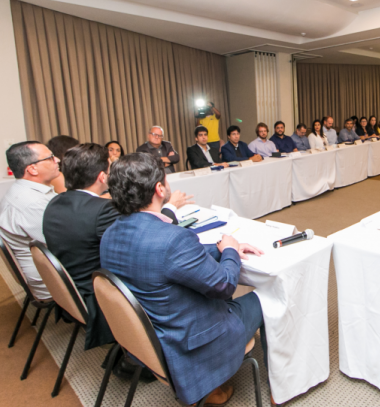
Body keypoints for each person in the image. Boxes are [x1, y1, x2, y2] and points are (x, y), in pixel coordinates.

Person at [99, 153, 266, 406]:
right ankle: (278, 382)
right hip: (191, 341)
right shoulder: (172, 238)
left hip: (150, 337)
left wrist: (220, 248)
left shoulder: (110, 234)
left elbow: (166, 262)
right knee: (266, 297)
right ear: (159, 188)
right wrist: (231, 249)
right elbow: (224, 285)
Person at [43, 144, 190, 350]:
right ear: (103, 177)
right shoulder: (102, 211)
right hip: (100, 297)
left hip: (71, 290)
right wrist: (170, 207)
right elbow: (149, 238)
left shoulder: (55, 202)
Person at [0, 141, 61, 300]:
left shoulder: (23, 192)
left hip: (45, 268)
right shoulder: (32, 204)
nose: (57, 160)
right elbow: (68, 243)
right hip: (52, 280)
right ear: (32, 168)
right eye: (50, 158)